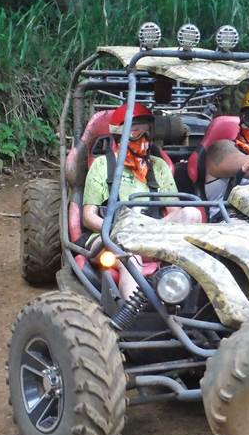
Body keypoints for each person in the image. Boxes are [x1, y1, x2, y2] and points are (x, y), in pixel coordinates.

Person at [82, 102, 201, 297]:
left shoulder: (159, 166)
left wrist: (149, 232)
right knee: (132, 256)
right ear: (120, 133)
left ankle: (190, 304)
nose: (144, 139)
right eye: (136, 132)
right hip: (112, 239)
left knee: (191, 213)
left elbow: (174, 213)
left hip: (152, 235)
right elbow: (88, 217)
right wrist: (120, 231)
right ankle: (131, 312)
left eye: (148, 132)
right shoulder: (102, 165)